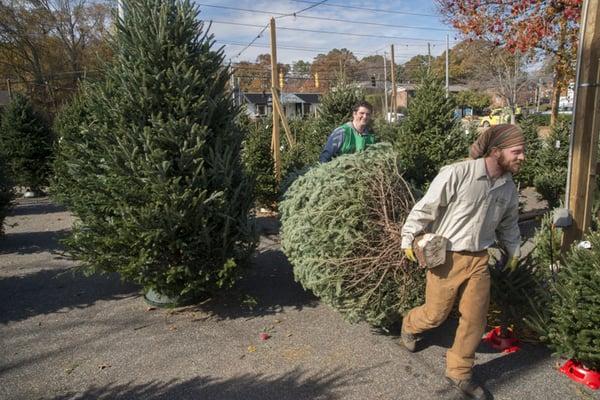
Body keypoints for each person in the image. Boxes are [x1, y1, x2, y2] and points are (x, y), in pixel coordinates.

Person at [400, 124, 525, 400]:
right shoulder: (458, 173)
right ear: (496, 151)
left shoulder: (507, 187)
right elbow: (426, 207)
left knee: (475, 319)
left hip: (479, 258)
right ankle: (409, 324)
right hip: (447, 257)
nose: (522, 157)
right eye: (516, 151)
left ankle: (460, 371)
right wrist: (408, 238)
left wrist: (514, 250)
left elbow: (509, 224)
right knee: (435, 314)